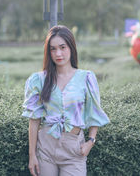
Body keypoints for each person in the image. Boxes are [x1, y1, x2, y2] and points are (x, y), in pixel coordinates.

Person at [22, 25, 110, 176]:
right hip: (46, 148)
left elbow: (94, 112)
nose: (58, 53)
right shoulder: (39, 80)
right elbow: (34, 119)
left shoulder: (86, 78)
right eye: (53, 49)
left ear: (71, 47)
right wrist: (32, 156)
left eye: (62, 47)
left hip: (74, 149)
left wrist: (90, 142)